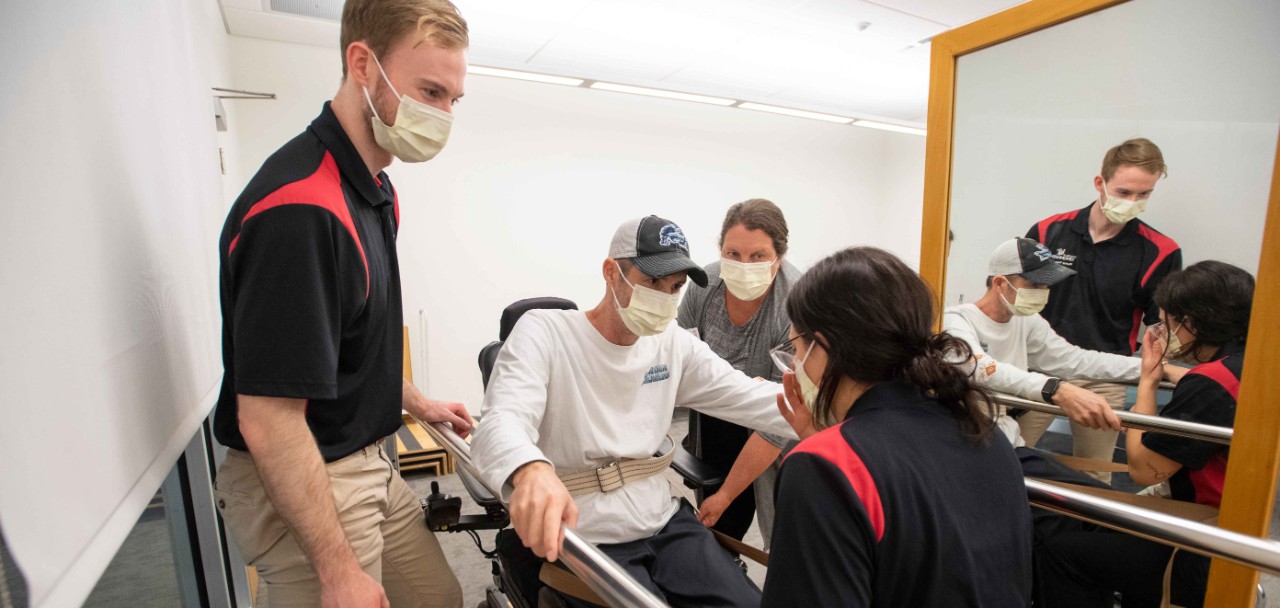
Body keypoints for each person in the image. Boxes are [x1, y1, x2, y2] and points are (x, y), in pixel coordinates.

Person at [211, 2, 473, 606]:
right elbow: (269, 418)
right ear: (362, 65)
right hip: (306, 471)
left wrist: (414, 401)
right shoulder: (302, 210)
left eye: (453, 99)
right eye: (430, 92)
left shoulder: (376, 190)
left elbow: (348, 346)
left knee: (437, 598)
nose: (442, 116)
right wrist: (336, 571)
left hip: (365, 458)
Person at [472, 215, 798, 607]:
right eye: (653, 282)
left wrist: (838, 411)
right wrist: (530, 471)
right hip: (583, 530)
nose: (665, 297)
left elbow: (750, 397)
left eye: (675, 287)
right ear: (612, 273)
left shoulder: (672, 345)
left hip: (663, 522)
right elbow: (502, 418)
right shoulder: (546, 333)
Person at [760, 247, 1032, 608]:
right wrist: (827, 442)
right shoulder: (985, 435)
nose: (794, 364)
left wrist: (824, 450)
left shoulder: (822, 467)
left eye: (796, 348)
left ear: (822, 347)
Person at [1033, 260, 1254, 607]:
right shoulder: (1249, 366)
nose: (1164, 332)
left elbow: (1143, 469)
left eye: (1167, 323)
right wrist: (1171, 373)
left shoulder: (1209, 383)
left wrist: (1148, 384)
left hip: (1198, 541)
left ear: (1191, 322)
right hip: (1238, 524)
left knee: (1062, 552)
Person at [1024, 138, 1182, 480]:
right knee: (1008, 454)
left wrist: (1153, 381)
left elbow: (1162, 328)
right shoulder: (1049, 232)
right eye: (1124, 192)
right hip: (1039, 367)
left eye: (1144, 194)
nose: (1133, 202)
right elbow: (1019, 297)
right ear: (1100, 183)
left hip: (1104, 373)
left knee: (1094, 474)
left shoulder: (1160, 251)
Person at [943, 238, 1183, 452]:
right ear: (1000, 283)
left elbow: (1076, 360)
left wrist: (1154, 367)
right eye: (1035, 285)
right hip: (963, 436)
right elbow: (980, 368)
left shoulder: (1027, 321)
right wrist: (1055, 389)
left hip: (1006, 436)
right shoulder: (956, 320)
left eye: (1047, 286)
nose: (1043, 292)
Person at [676, 198, 802, 547]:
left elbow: (780, 417)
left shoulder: (795, 303)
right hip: (714, 414)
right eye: (733, 254)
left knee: (782, 529)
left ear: (779, 257)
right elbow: (675, 354)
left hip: (775, 423)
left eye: (758, 256)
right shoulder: (705, 284)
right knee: (720, 528)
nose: (743, 265)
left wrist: (727, 494)